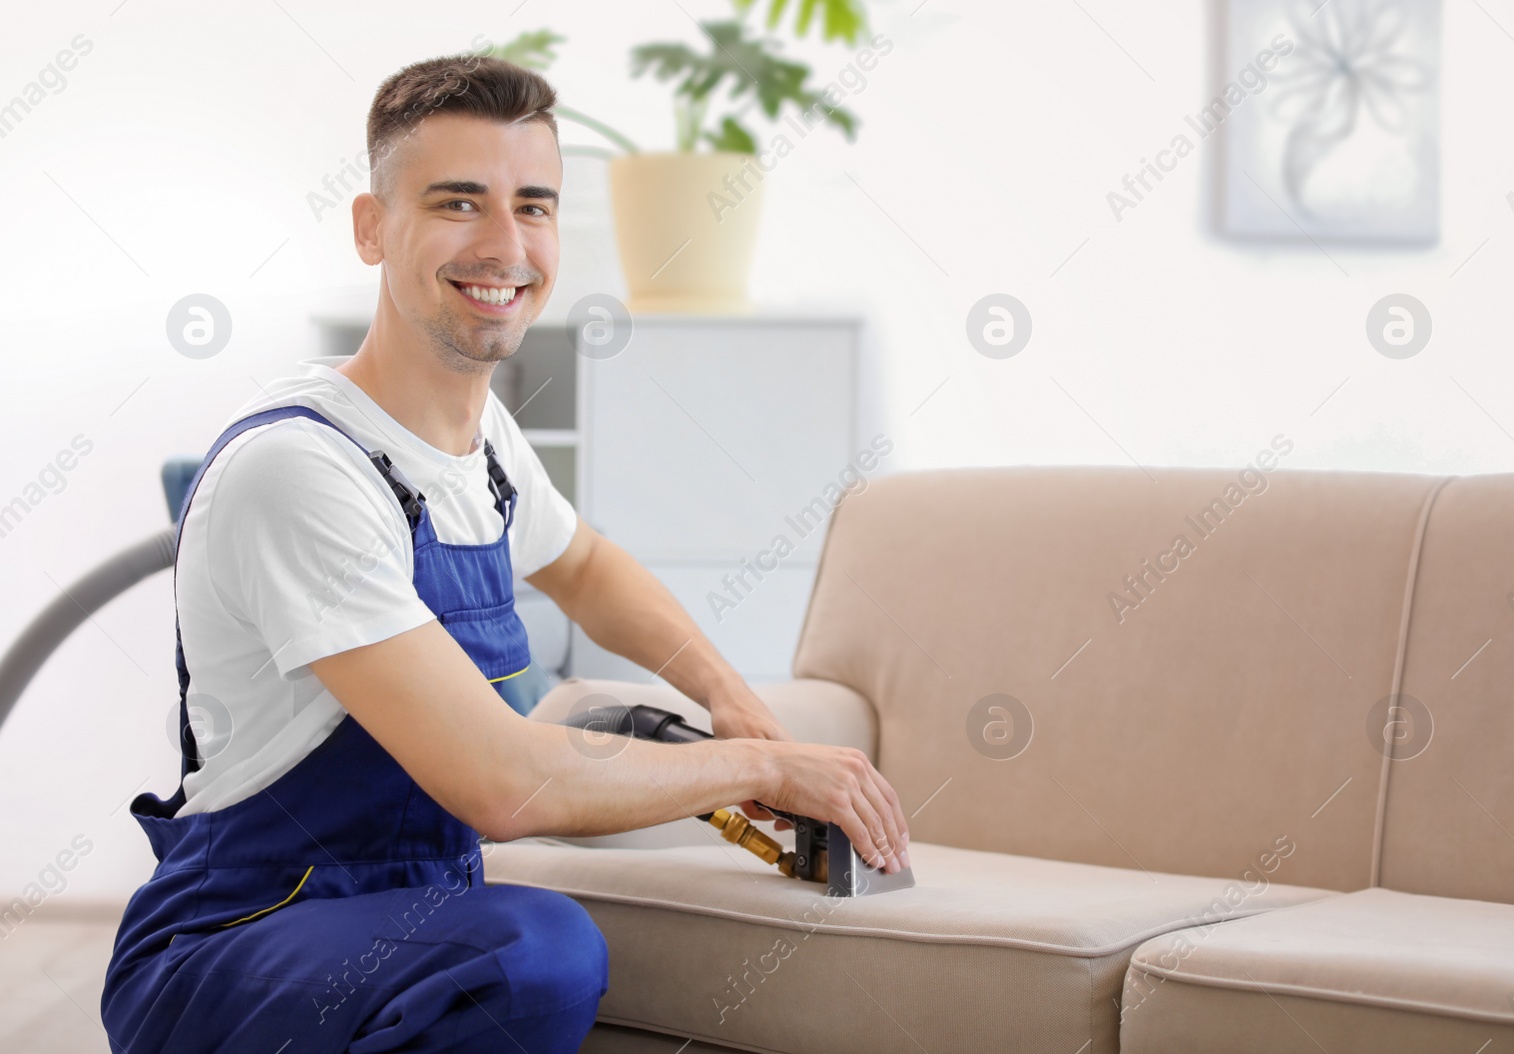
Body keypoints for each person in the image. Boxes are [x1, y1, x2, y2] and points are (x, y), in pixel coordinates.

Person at [100, 51, 910, 1053]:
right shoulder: (303, 470)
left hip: (398, 924)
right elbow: (505, 784)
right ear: (371, 226)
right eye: (457, 203)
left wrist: (726, 690)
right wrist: (761, 765)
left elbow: (585, 566)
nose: (505, 244)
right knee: (536, 952)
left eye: (534, 205)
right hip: (235, 948)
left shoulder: (480, 446)